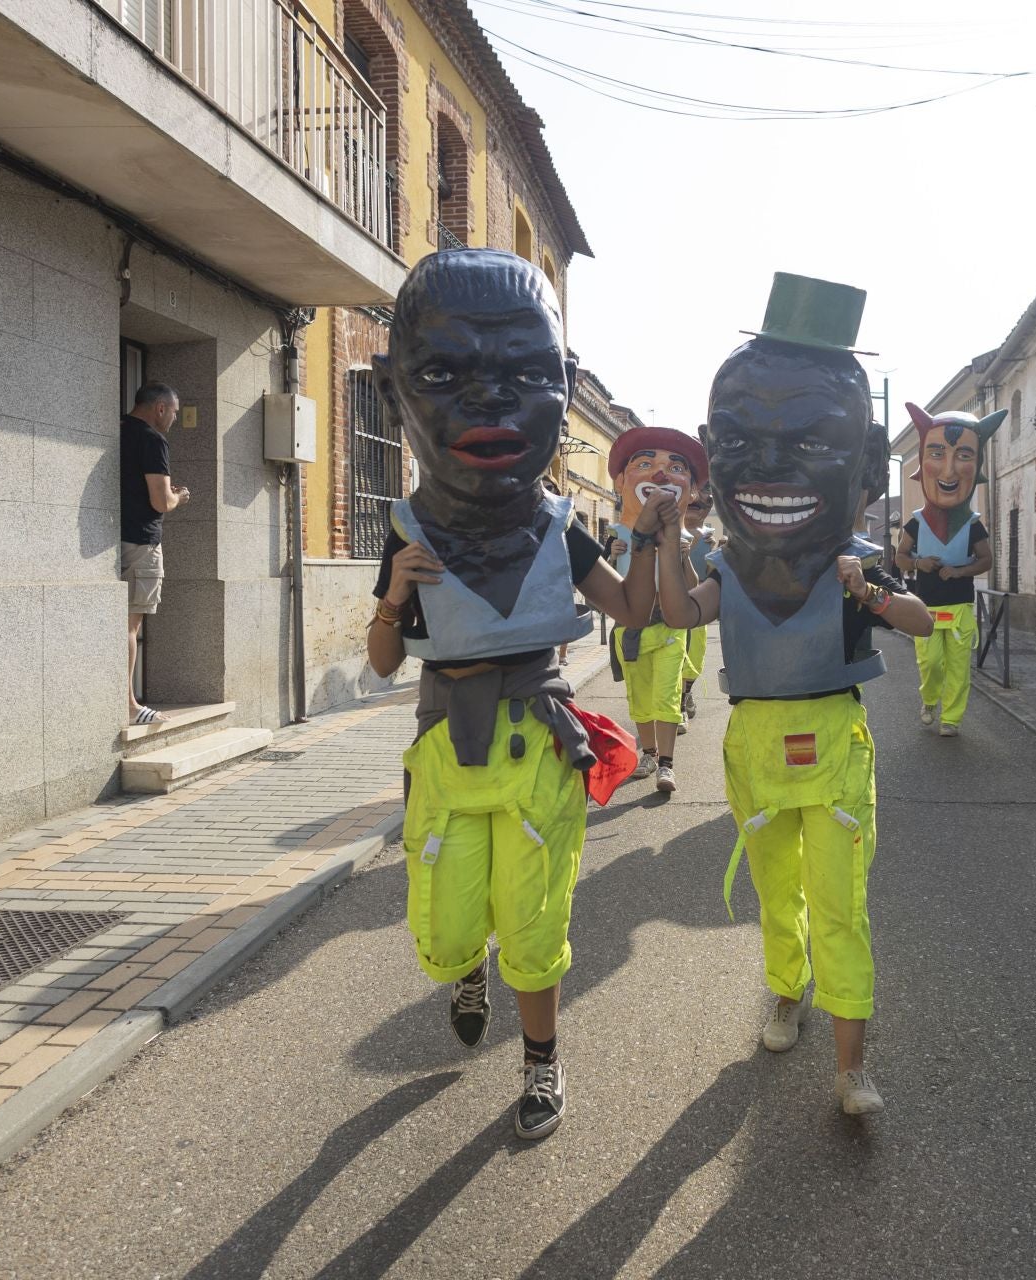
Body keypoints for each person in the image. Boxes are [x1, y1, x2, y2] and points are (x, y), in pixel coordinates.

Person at [630, 273, 934, 1117]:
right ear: (709, 453)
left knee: (841, 902)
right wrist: (664, 543)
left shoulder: (858, 556)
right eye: (739, 439)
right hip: (756, 747)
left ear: (868, 470)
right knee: (776, 892)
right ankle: (785, 991)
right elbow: (675, 611)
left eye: (809, 441)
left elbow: (921, 623)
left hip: (836, 743)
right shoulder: (725, 563)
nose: (767, 466)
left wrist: (868, 591)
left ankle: (852, 1068)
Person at [365, 249, 647, 1141]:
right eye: (445, 373)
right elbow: (380, 662)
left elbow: (636, 611)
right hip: (448, 750)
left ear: (562, 389)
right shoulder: (408, 531)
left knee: (535, 923)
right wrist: (394, 596)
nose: (488, 402)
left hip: (538, 749)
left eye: (524, 374)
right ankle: (465, 966)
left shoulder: (561, 532)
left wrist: (659, 535)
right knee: (449, 929)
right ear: (394, 392)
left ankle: (541, 1065)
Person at [891, 401, 1002, 737]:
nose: (950, 471)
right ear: (923, 462)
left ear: (977, 462)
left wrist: (960, 572)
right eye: (937, 453)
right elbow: (899, 557)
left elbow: (986, 560)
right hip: (927, 607)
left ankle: (951, 718)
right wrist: (917, 563)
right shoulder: (916, 521)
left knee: (958, 668)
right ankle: (929, 700)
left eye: (964, 455)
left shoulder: (972, 524)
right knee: (931, 664)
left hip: (959, 608)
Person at [605, 427, 706, 793]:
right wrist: (611, 557)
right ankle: (648, 753)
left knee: (665, 694)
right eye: (645, 463)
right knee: (639, 696)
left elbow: (693, 590)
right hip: (630, 632)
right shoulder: (616, 537)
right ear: (619, 481)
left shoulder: (685, 539)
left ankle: (666, 764)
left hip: (669, 630)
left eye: (675, 467)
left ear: (691, 489)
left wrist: (682, 560)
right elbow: (603, 592)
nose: (660, 475)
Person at [120, 382, 188, 726]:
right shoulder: (152, 439)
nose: (175, 418)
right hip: (142, 542)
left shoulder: (117, 430)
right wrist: (179, 497)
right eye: (174, 412)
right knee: (130, 625)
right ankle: (130, 706)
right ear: (160, 408)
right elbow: (160, 501)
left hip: (114, 537)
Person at [679, 488, 715, 727]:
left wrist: (716, 554)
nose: (699, 499)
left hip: (698, 604)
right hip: (665, 604)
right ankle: (679, 705)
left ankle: (686, 693)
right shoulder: (667, 531)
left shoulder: (711, 538)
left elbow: (714, 580)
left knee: (695, 654)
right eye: (695, 491)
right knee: (674, 656)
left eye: (706, 496)